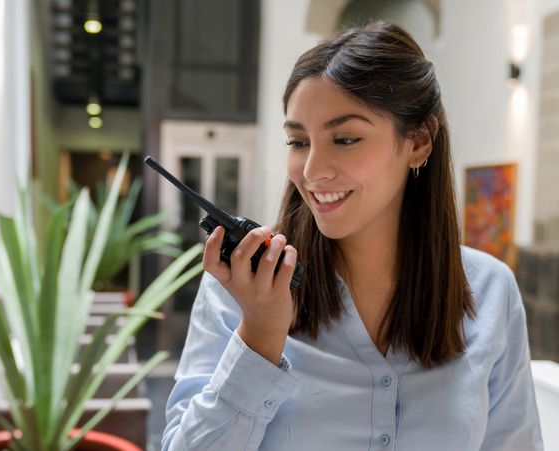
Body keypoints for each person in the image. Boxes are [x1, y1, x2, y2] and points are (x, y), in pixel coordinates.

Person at [161, 21, 543, 451]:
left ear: (419, 141)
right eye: (298, 142)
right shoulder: (241, 289)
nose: (312, 171)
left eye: (345, 139)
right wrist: (260, 337)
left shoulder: (491, 291)